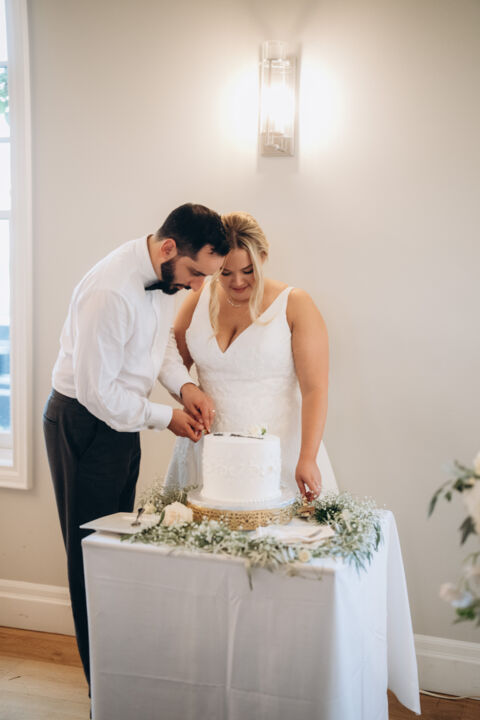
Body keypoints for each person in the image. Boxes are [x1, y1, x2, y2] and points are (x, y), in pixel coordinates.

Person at [43, 203, 230, 685]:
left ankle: (120, 682)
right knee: (91, 559)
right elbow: (98, 394)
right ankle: (102, 697)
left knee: (114, 553)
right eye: (196, 274)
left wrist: (184, 387)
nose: (198, 287)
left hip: (122, 422)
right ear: (168, 248)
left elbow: (159, 343)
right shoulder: (110, 291)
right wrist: (166, 418)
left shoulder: (164, 277)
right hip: (84, 423)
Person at [164, 211, 338, 499]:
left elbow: (315, 389)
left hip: (277, 452)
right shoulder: (197, 299)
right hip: (208, 451)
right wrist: (187, 395)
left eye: (247, 271)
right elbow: (172, 367)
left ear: (263, 257)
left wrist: (307, 457)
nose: (237, 282)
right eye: (225, 272)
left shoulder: (295, 304)